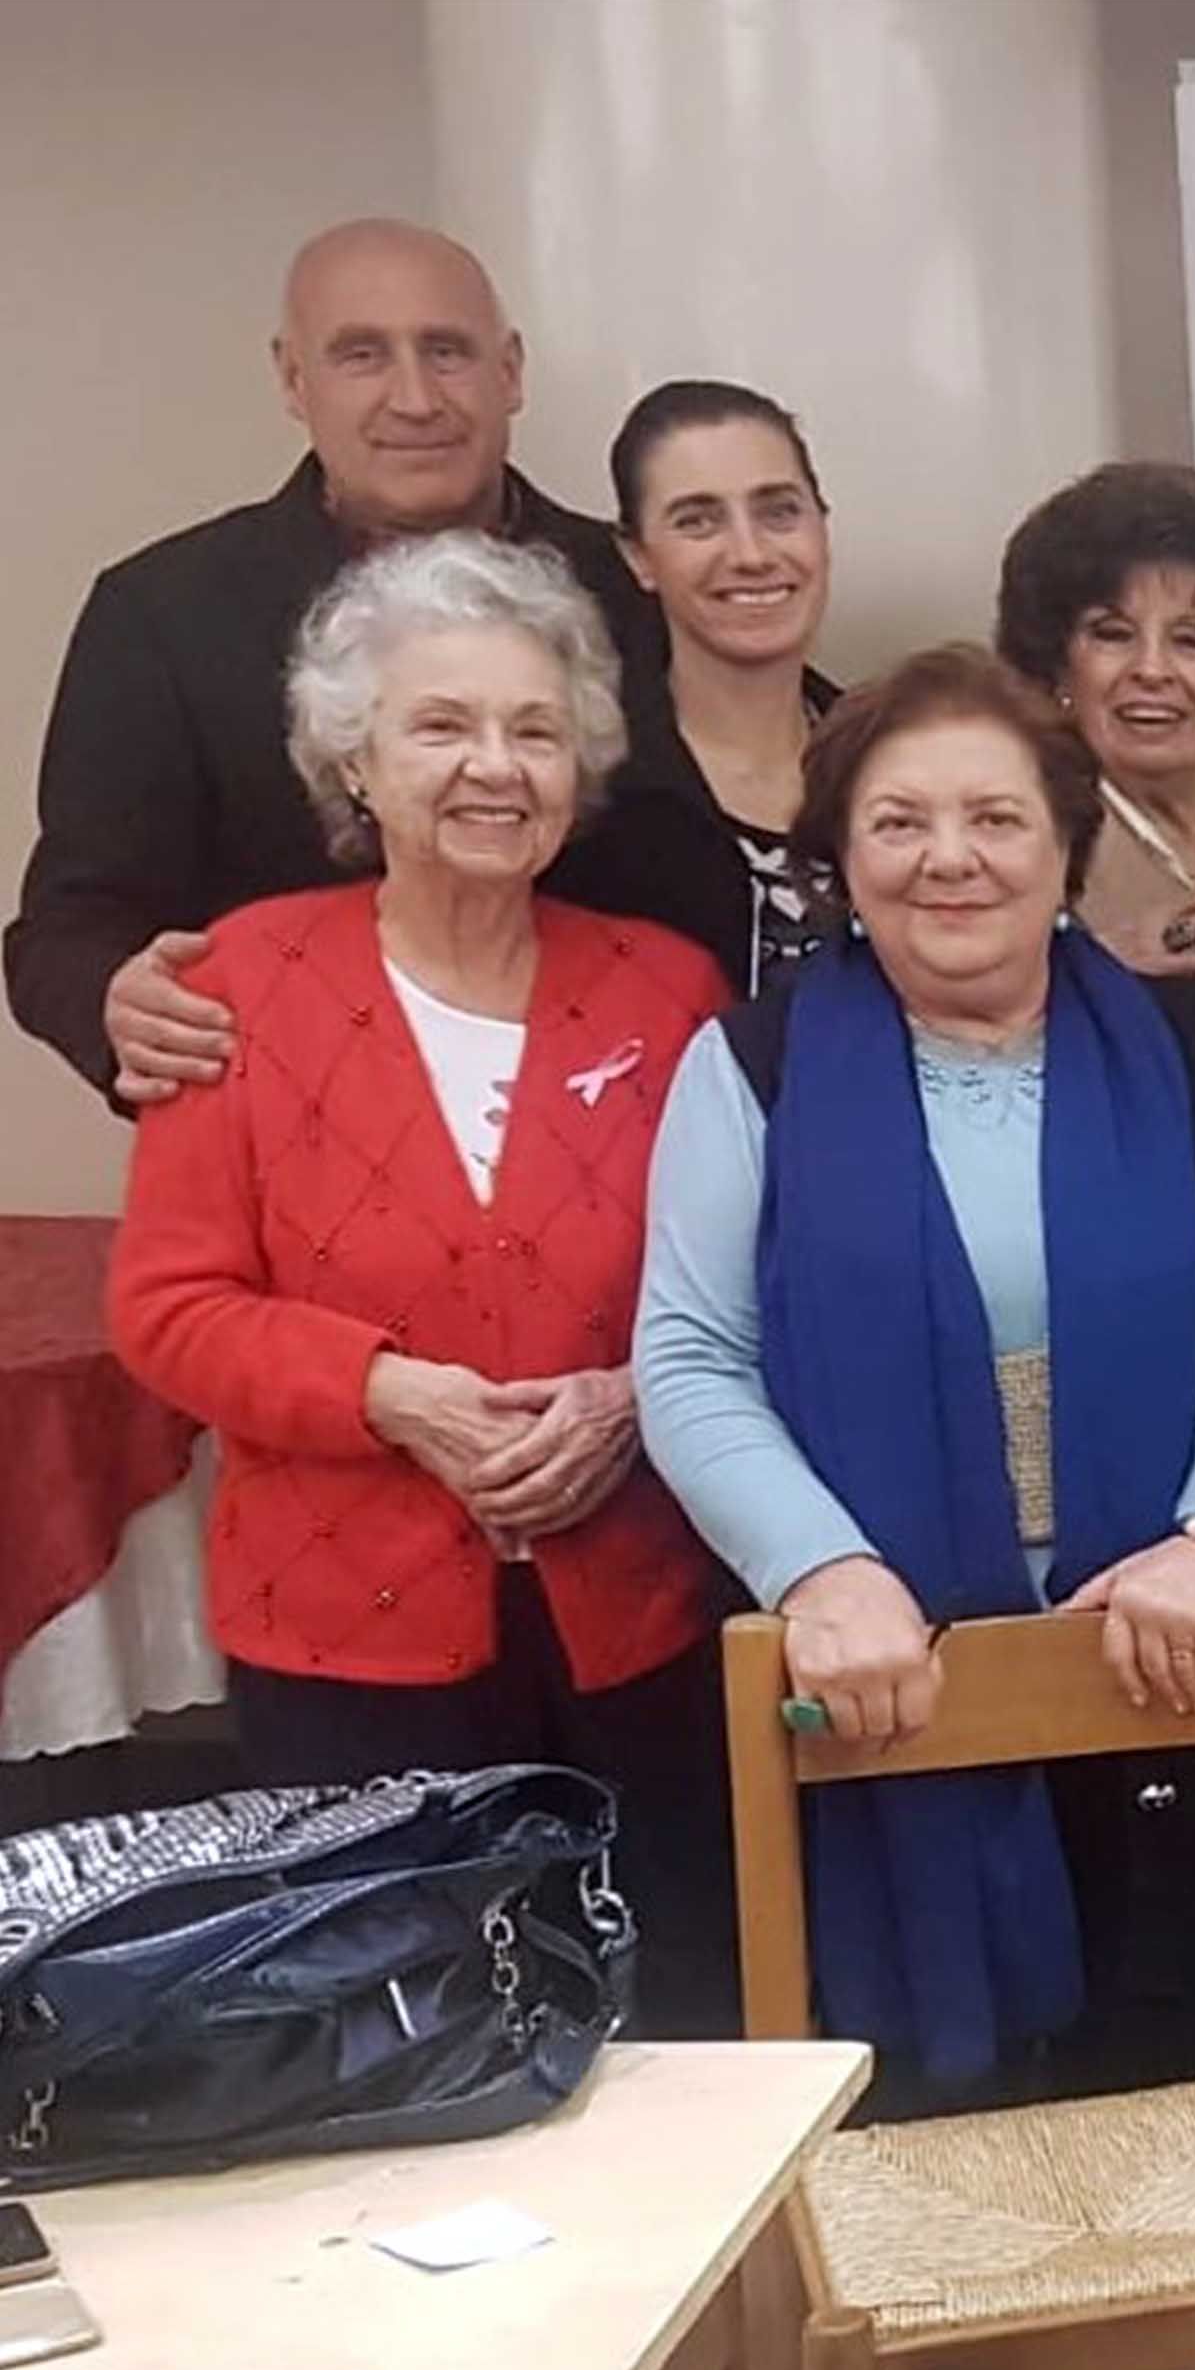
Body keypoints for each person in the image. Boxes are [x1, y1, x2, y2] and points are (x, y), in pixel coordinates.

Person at [636, 645, 1195, 2370]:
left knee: (1138, 2002)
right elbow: (688, 1358)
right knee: (912, 2038)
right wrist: (824, 1564)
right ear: (841, 855)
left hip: (1154, 1644)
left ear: (1063, 844)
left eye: (992, 818)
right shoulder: (754, 1068)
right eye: (900, 821)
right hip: (882, 1656)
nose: (948, 858)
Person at [103, 531, 736, 2031]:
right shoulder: (235, 985)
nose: (493, 767)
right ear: (357, 760)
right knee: (401, 2046)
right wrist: (390, 1394)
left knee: (677, 2030)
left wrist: (632, 1397)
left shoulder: (668, 988)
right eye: (441, 725)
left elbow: (747, 1283)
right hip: (345, 1638)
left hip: (639, 1624)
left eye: (534, 730)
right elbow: (168, 1305)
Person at [11, 217, 672, 1107]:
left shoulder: (641, 587)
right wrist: (114, 1002)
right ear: (294, 379)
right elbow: (67, 926)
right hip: (289, 1127)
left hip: (619, 1117)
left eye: (447, 351)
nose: (416, 399)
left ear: (510, 371)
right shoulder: (165, 613)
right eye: (362, 356)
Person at [558, 380, 844, 988]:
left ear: (822, 526)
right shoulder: (587, 798)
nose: (751, 554)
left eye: (778, 511)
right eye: (698, 521)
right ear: (637, 558)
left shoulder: (895, 759)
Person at [992, 463, 1195, 971]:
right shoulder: (1015, 838)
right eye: (1112, 634)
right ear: (1057, 663)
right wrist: (1098, 972)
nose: (1151, 670)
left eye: (1192, 640)